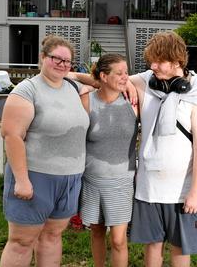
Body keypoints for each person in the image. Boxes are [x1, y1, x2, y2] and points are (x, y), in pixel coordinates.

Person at [0, 35, 90, 267]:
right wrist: (21, 180)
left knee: (52, 236)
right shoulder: (27, 90)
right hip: (35, 177)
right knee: (22, 241)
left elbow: (102, 81)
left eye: (67, 61)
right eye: (56, 58)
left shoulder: (73, 87)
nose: (61, 64)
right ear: (42, 58)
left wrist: (74, 75)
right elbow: (12, 135)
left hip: (69, 179)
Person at [128, 31, 197, 267]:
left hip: (181, 189)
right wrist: (69, 74)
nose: (153, 66)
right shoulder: (146, 81)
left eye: (159, 61)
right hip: (149, 186)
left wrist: (196, 192)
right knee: (152, 245)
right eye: (150, 60)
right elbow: (111, 79)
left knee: (180, 247)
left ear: (178, 62)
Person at [79, 54, 138, 267]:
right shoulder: (86, 100)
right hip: (92, 180)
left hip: (122, 182)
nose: (125, 78)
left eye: (127, 73)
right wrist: (83, 86)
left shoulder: (133, 101)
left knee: (119, 240)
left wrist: (129, 83)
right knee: (96, 231)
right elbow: (66, 77)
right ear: (103, 76)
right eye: (119, 73)